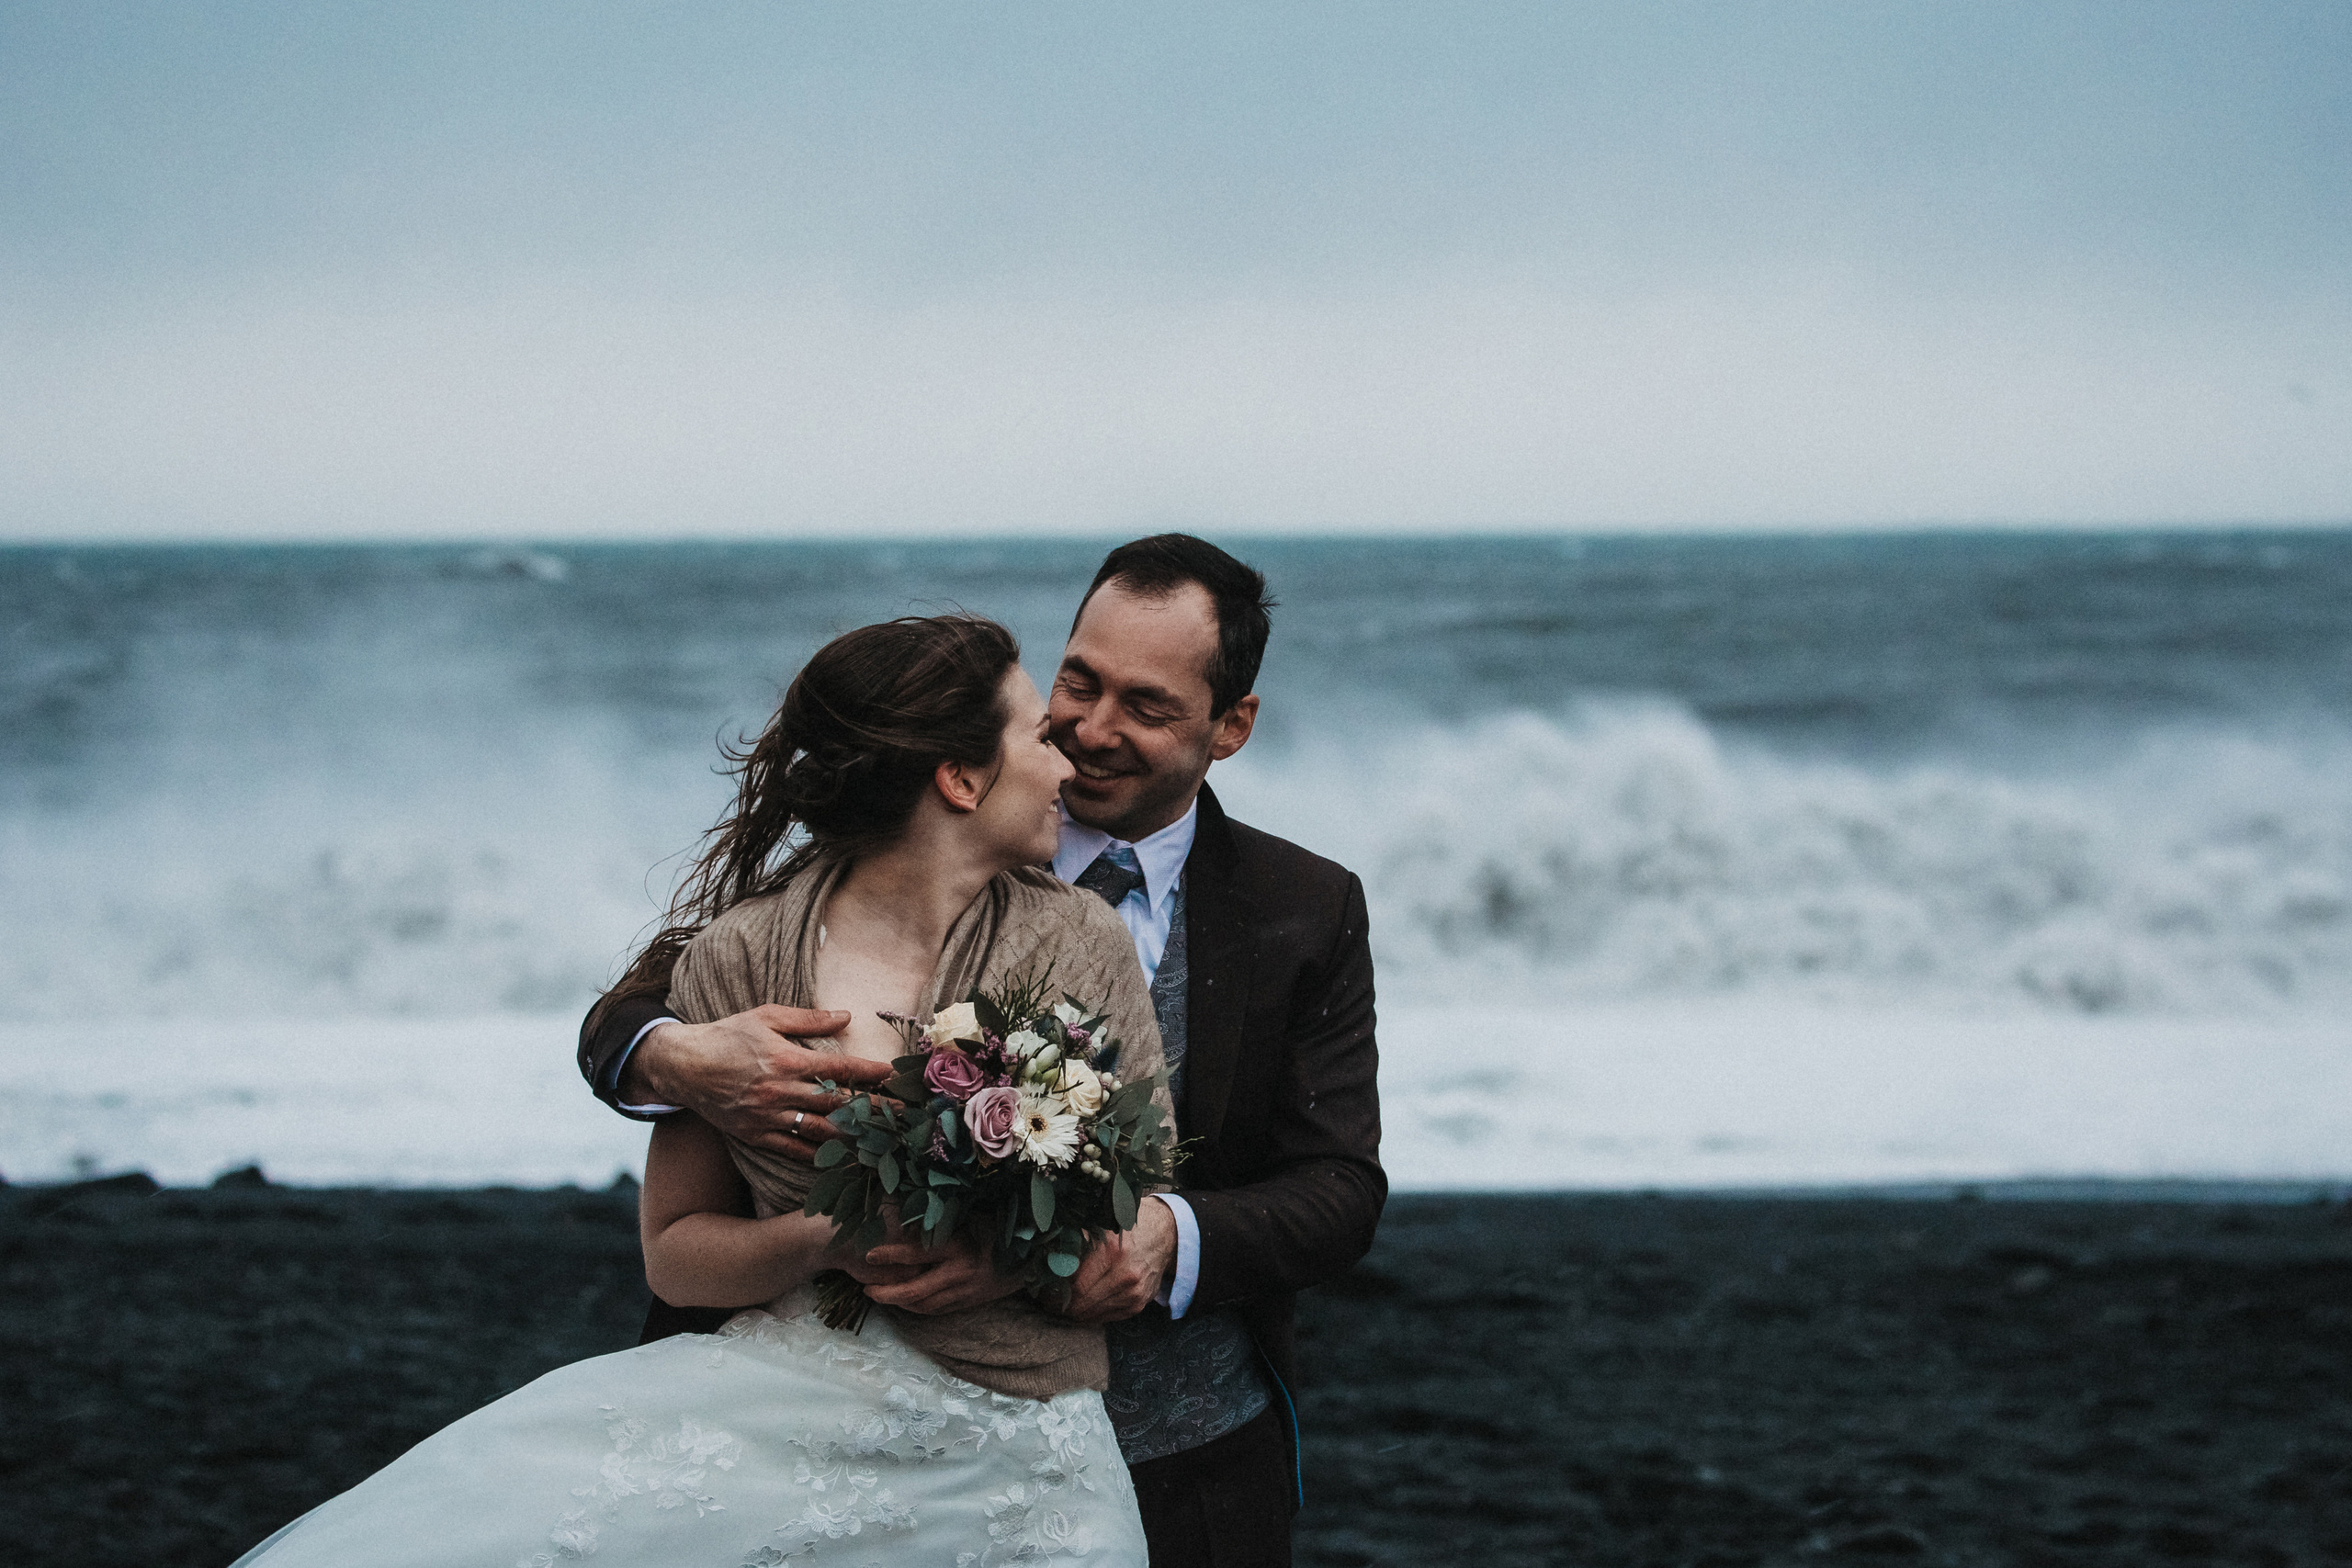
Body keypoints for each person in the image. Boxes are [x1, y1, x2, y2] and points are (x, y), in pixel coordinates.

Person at [233, 615, 1165, 1566]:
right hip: (793, 1411)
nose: (1065, 768)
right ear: (960, 779)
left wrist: (1011, 1260)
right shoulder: (742, 957)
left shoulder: (1077, 943)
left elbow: (1141, 1192)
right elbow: (676, 1257)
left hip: (1025, 1438)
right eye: (1038, 738)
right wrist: (830, 1238)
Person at [581, 536, 1386, 1567]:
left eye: (1144, 707)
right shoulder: (860, 866)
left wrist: (1164, 1239)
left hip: (1177, 1450)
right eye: (1076, 683)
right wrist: (666, 1058)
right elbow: (655, 1000)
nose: (1088, 732)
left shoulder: (1302, 907)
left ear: (1230, 726)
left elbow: (1339, 1186)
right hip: (832, 1434)